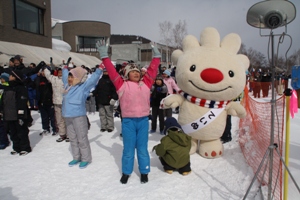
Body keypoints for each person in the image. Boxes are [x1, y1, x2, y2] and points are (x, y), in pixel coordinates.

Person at [96, 39, 161, 184]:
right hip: (128, 122)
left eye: (137, 71)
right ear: (126, 74)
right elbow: (112, 73)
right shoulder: (121, 85)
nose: (136, 73)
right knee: (128, 149)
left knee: (143, 149)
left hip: (143, 121)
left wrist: (156, 57)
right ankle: (126, 172)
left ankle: (144, 171)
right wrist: (104, 56)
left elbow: (152, 70)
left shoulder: (146, 84)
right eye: (132, 72)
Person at [62, 62, 104, 169]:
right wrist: (65, 68)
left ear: (77, 78)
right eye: (69, 77)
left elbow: (93, 80)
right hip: (68, 116)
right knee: (72, 138)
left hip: (79, 116)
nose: (69, 79)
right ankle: (76, 157)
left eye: (72, 77)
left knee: (82, 137)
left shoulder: (83, 88)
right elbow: (64, 76)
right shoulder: (67, 86)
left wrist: (99, 69)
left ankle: (86, 158)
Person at [1, 70, 31, 155]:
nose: (9, 77)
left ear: (15, 77)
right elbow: (3, 100)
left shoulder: (20, 88)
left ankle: (25, 147)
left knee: (21, 131)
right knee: (13, 132)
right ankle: (16, 147)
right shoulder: (7, 87)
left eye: (11, 75)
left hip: (18, 114)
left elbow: (22, 102)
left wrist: (21, 115)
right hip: (9, 114)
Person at [44, 67, 68, 142]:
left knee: (67, 119)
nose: (60, 73)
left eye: (62, 72)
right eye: (59, 72)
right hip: (56, 102)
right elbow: (48, 75)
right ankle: (62, 134)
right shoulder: (54, 79)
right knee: (59, 119)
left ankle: (69, 135)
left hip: (65, 102)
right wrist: (44, 68)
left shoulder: (67, 80)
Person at [93, 67, 118, 132]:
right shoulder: (101, 80)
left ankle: (110, 126)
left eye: (106, 72)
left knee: (109, 114)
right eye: (104, 72)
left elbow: (115, 90)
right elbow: (97, 89)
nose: (105, 73)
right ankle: (103, 126)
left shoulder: (111, 80)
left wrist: (114, 98)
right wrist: (93, 93)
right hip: (101, 100)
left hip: (108, 101)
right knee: (102, 114)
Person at [36, 67, 57, 136]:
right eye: (42, 71)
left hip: (50, 101)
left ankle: (55, 129)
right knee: (44, 117)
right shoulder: (39, 79)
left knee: (52, 117)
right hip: (41, 101)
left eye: (44, 71)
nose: (43, 73)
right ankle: (46, 129)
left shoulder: (51, 80)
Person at [0, 73, 10, 150]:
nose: (1, 80)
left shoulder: (7, 86)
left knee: (2, 126)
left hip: (4, 107)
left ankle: (4, 141)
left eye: (2, 78)